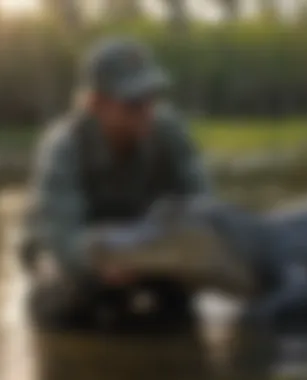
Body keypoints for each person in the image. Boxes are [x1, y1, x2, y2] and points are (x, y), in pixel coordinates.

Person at [22, 37, 210, 330]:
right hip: (80, 254)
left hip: (143, 247)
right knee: (61, 304)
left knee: (181, 303)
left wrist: (178, 253)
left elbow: (205, 206)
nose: (147, 110)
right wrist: (103, 263)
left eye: (152, 97)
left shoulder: (169, 131)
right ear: (96, 104)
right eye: (133, 103)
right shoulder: (63, 147)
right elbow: (62, 237)